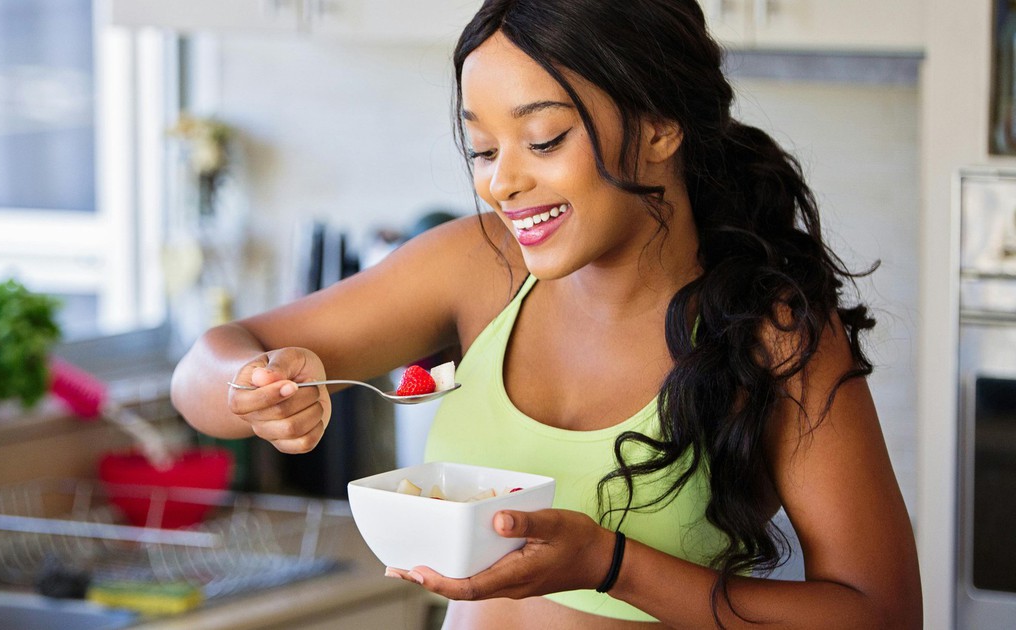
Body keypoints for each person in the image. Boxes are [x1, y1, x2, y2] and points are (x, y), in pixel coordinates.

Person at [170, 0, 923, 626]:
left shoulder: (770, 332)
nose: (503, 183)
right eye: (482, 150)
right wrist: (254, 385)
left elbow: (882, 614)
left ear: (659, 127)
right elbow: (204, 370)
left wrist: (612, 565)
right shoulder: (476, 265)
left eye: (544, 139)